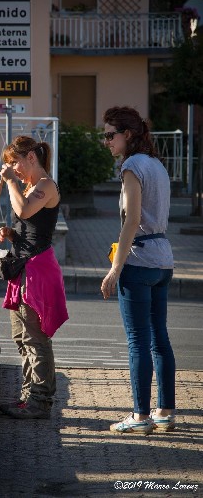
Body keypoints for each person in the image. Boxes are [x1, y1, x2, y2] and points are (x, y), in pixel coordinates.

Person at [101, 106, 176, 435]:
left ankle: (140, 416)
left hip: (139, 259)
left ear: (127, 134)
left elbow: (132, 221)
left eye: (110, 135)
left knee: (138, 342)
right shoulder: (157, 165)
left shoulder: (131, 166)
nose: (106, 141)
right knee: (160, 338)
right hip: (164, 258)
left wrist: (115, 269)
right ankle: (165, 411)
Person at [0, 135, 69, 420]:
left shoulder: (46, 185)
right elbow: (28, 224)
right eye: (8, 164)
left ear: (31, 158)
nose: (12, 168)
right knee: (21, 337)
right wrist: (10, 234)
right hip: (23, 267)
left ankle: (40, 402)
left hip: (37, 270)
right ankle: (29, 395)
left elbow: (24, 210)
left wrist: (10, 183)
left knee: (35, 338)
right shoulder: (29, 186)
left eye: (14, 162)